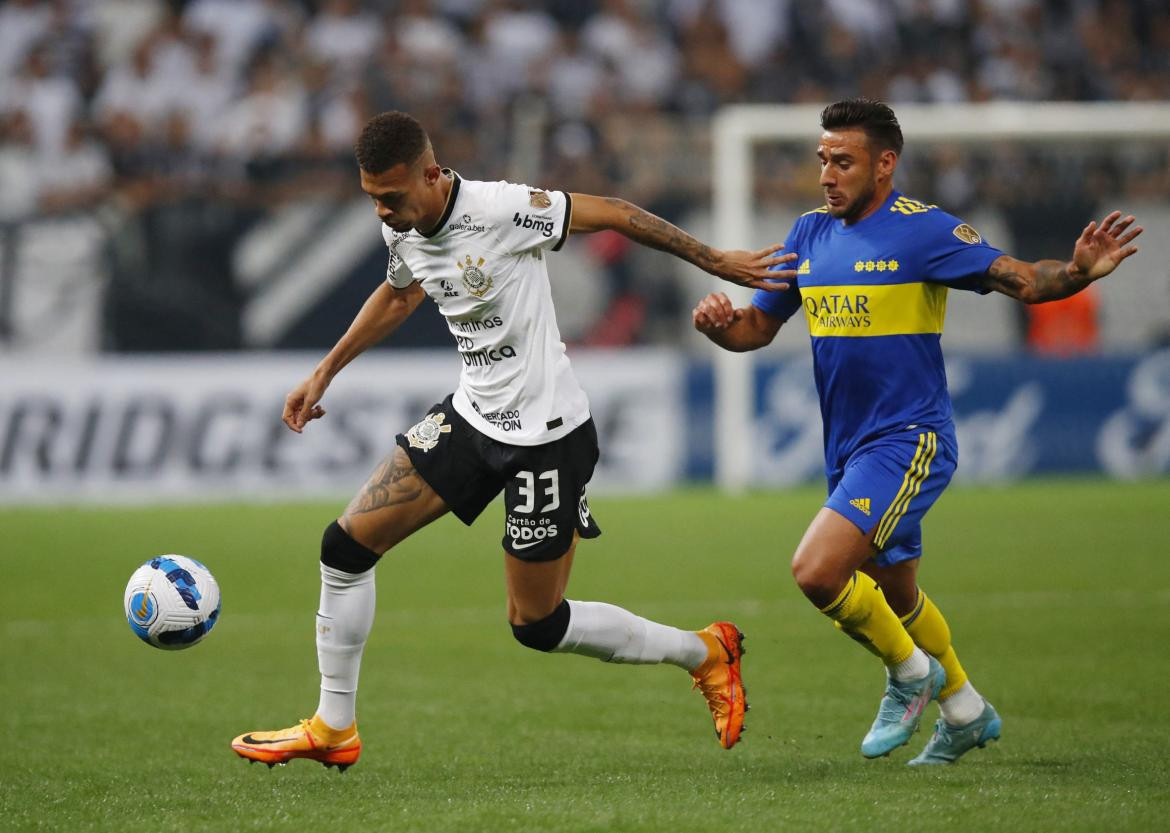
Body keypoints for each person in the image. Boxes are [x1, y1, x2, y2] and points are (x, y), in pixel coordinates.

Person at [231, 110, 793, 770]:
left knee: (538, 624)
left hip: (547, 437)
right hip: (472, 419)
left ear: (432, 174)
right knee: (345, 546)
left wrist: (714, 258)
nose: (381, 211)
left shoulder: (501, 209)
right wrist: (323, 372)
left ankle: (706, 651)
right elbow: (399, 293)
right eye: (371, 198)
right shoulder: (406, 228)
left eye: (391, 196)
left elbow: (612, 211)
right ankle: (333, 727)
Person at [693, 98, 1142, 765]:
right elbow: (757, 328)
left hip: (909, 438)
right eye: (822, 160)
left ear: (884, 163)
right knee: (897, 596)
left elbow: (1020, 278)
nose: (827, 175)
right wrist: (720, 326)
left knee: (817, 571)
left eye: (842, 161)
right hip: (847, 446)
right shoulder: (807, 234)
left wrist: (1075, 273)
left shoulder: (924, 231)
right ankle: (963, 707)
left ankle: (910, 675)